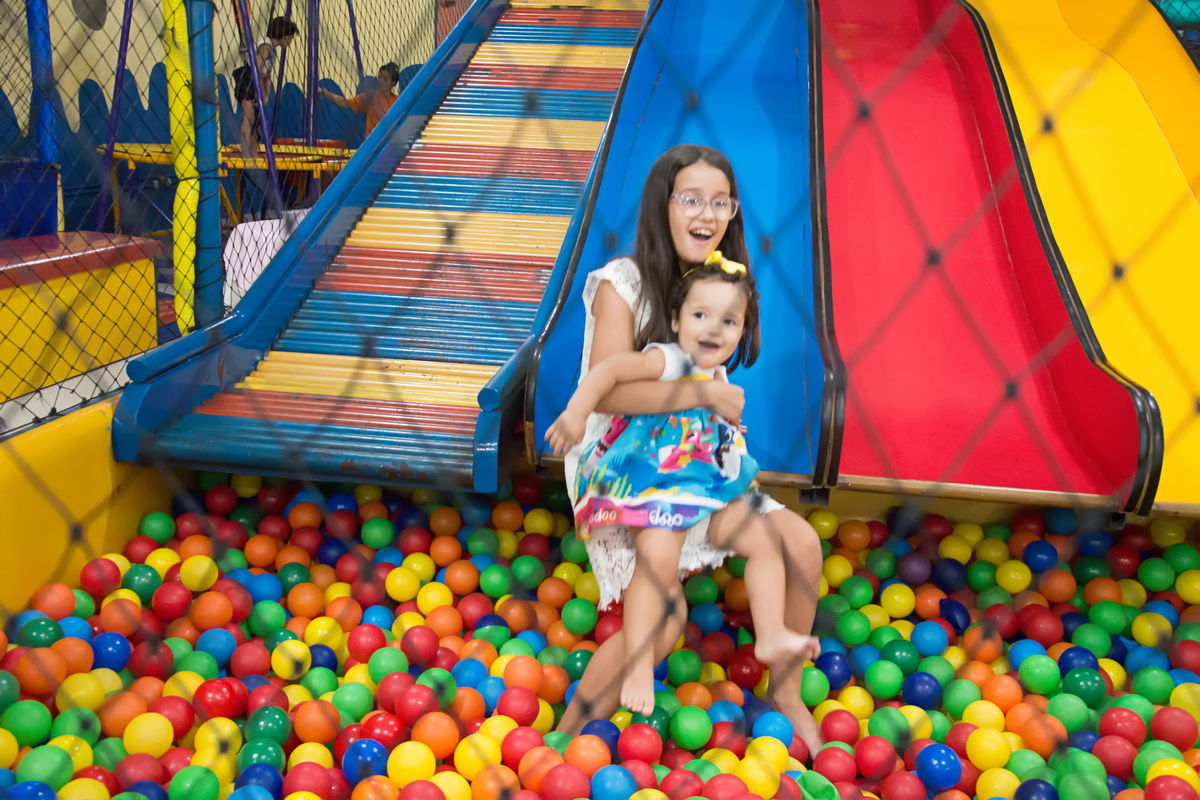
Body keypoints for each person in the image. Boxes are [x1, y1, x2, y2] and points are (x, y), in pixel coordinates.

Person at [552, 144, 825, 753]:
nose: (707, 214)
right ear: (664, 205)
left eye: (720, 201)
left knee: (801, 545)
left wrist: (718, 414)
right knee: (667, 623)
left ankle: (784, 691)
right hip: (623, 468)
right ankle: (564, 736)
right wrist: (702, 398)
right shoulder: (622, 284)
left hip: (695, 463)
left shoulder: (723, 286)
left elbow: (714, 385)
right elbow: (610, 396)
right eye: (691, 199)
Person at [233, 16, 299, 158]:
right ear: (283, 35)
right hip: (247, 80)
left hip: (254, 82)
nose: (290, 41)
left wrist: (267, 94)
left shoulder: (273, 50)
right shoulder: (266, 46)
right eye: (290, 37)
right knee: (249, 118)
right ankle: (246, 156)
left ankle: (253, 154)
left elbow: (266, 75)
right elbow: (256, 69)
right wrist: (261, 92)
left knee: (256, 124)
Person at [319, 63, 402, 137]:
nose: (381, 81)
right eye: (380, 77)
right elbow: (344, 102)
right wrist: (325, 92)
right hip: (370, 145)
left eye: (385, 79)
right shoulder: (371, 97)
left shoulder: (398, 101)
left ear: (393, 83)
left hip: (389, 144)